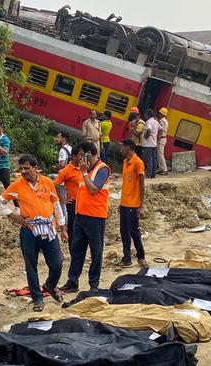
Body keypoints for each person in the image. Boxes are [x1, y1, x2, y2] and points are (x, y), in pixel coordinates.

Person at [0, 155, 66, 311]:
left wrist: (63, 228)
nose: (23, 171)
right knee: (31, 265)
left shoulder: (47, 182)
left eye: (26, 168)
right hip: (29, 231)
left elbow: (56, 205)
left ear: (36, 168)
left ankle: (50, 285)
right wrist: (13, 216)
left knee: (57, 262)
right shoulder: (17, 185)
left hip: (49, 229)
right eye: (21, 169)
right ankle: (37, 299)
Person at [60, 141, 111, 293]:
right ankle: (72, 281)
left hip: (95, 217)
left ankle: (93, 284)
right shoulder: (86, 169)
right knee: (77, 250)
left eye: (83, 155)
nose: (80, 158)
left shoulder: (102, 169)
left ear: (90, 153)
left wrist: (83, 172)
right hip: (80, 216)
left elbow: (93, 189)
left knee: (96, 251)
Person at [116, 139, 147, 268]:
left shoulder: (138, 163)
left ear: (128, 147)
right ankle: (127, 258)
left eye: (122, 147)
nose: (121, 150)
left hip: (133, 205)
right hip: (124, 203)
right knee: (124, 231)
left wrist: (141, 205)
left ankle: (141, 257)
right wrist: (121, 202)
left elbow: (141, 184)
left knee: (134, 231)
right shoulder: (125, 162)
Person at [53, 144, 84, 250]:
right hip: (73, 203)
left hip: (84, 203)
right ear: (74, 156)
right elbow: (55, 184)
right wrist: (62, 199)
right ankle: (73, 250)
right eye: (80, 155)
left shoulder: (84, 168)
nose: (82, 157)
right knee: (72, 228)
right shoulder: (67, 170)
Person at [141, 109, 160, 178]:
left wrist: (146, 136)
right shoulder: (156, 122)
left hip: (148, 144)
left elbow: (149, 129)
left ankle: (148, 174)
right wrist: (158, 138)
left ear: (148, 115)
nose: (144, 116)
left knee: (148, 159)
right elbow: (160, 129)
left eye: (145, 114)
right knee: (153, 160)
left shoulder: (148, 122)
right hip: (153, 144)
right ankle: (153, 174)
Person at [156, 107, 169, 175]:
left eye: (160, 113)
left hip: (161, 139)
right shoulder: (165, 121)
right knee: (158, 154)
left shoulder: (162, 121)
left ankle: (165, 169)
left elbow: (160, 131)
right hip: (162, 138)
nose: (159, 113)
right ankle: (161, 168)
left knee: (160, 155)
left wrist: (158, 139)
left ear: (162, 114)